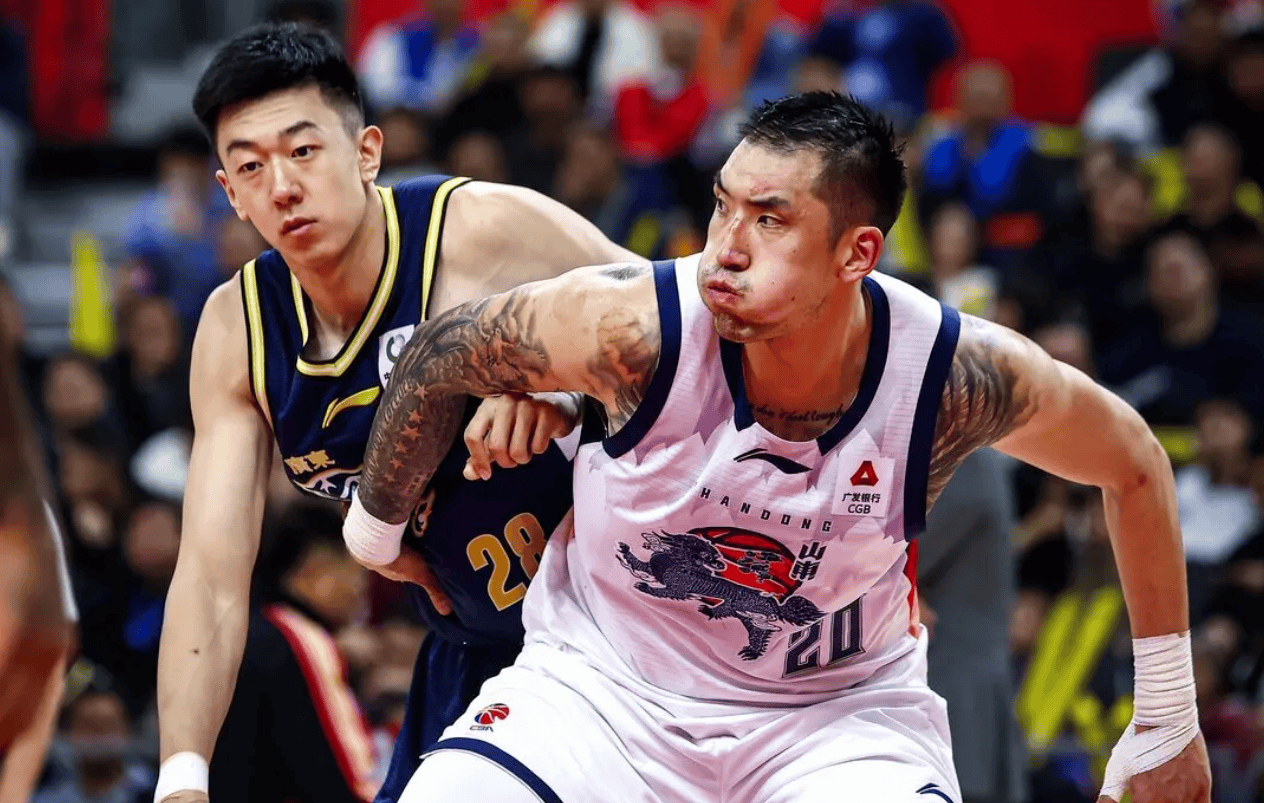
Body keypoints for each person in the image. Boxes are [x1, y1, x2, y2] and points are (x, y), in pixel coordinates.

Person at [349, 92, 1212, 803]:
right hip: (602, 693)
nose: (725, 248)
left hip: (832, 721)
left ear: (856, 253)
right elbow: (439, 353)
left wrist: (1168, 717)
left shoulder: (952, 375)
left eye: (769, 219)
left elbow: (1133, 461)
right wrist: (375, 534)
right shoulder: (633, 325)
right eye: (723, 205)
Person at [153, 23, 640, 803]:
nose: (282, 185)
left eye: (303, 151)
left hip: (627, 634)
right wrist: (181, 777)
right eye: (251, 166)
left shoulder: (482, 231)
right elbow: (211, 576)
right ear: (231, 194)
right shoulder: (236, 331)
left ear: (366, 153)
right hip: (474, 652)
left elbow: (691, 340)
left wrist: (564, 386)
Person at [211, 503, 377, 802]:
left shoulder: (246, 629)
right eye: (357, 572)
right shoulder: (301, 639)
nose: (361, 590)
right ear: (315, 571)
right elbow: (356, 781)